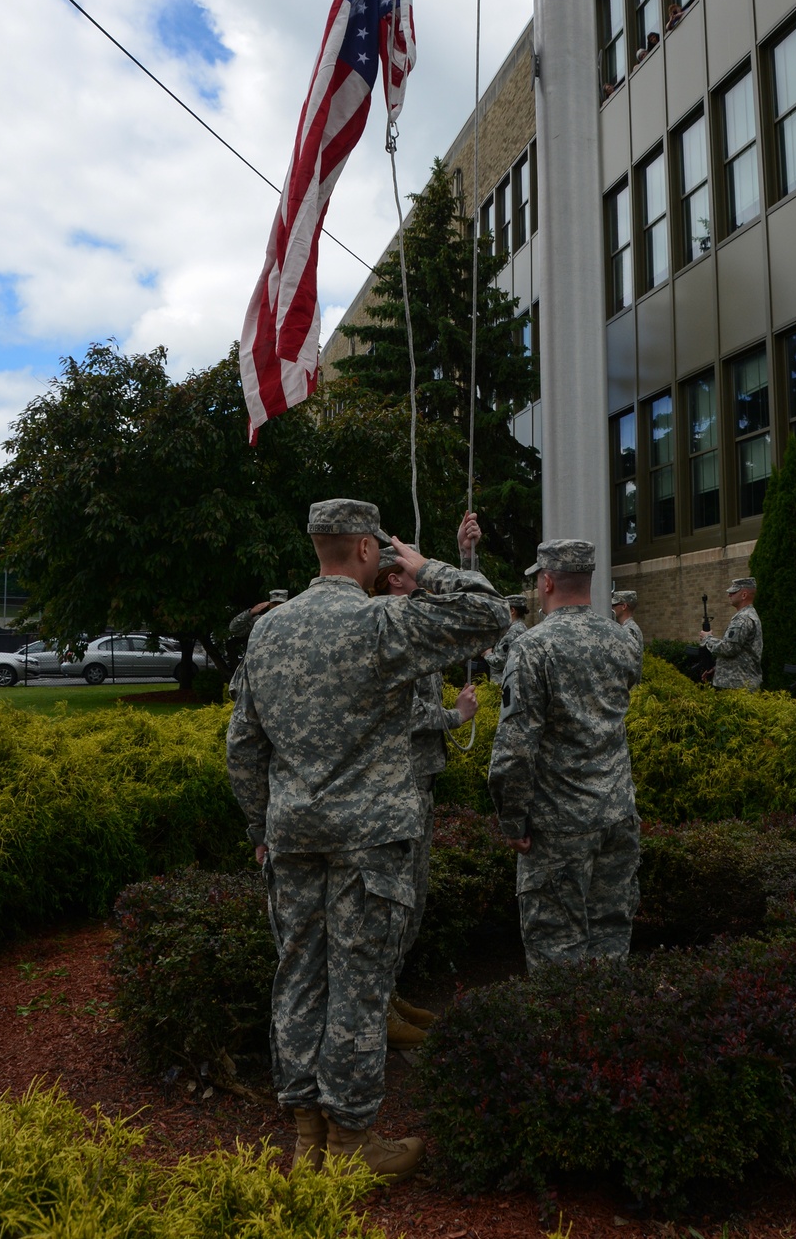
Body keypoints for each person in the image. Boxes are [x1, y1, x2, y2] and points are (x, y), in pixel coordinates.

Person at [226, 499, 508, 1179]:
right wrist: (425, 563)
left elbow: (243, 747)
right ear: (364, 551)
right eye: (382, 551)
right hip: (370, 840)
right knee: (356, 985)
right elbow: (491, 614)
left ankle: (305, 1142)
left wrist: (261, 826)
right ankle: (353, 1149)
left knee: (296, 978)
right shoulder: (381, 621)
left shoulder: (268, 632)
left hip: (293, 836)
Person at [488, 539, 642, 974]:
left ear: (548, 580)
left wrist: (512, 818)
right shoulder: (623, 640)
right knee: (611, 937)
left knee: (557, 952)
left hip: (559, 825)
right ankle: (608, 1032)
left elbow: (515, 748)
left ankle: (565, 1039)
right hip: (617, 815)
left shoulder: (533, 647)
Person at [371, 525, 480, 1047]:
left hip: (419, 779)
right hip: (400, 784)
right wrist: (454, 717)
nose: (407, 580)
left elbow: (470, 612)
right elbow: (405, 714)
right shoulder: (392, 627)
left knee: (412, 897)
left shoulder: (413, 623)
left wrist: (466, 555)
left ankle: (388, 993)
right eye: (398, 574)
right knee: (398, 900)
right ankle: (378, 1007)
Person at [699, 576, 762, 690]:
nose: (729, 595)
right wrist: (718, 669)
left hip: (737, 686)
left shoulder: (742, 619)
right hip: (740, 682)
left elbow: (729, 648)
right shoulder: (748, 615)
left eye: (733, 592)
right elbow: (742, 652)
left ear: (744, 595)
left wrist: (707, 638)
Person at [486, 594, 530, 683]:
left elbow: (500, 662)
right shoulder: (522, 628)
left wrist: (487, 654)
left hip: (504, 685)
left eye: (502, 610)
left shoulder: (512, 632)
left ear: (512, 611)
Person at [611, 588, 643, 685]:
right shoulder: (628, 628)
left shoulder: (629, 630)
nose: (611, 608)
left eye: (614, 605)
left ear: (624, 606)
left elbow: (627, 663)